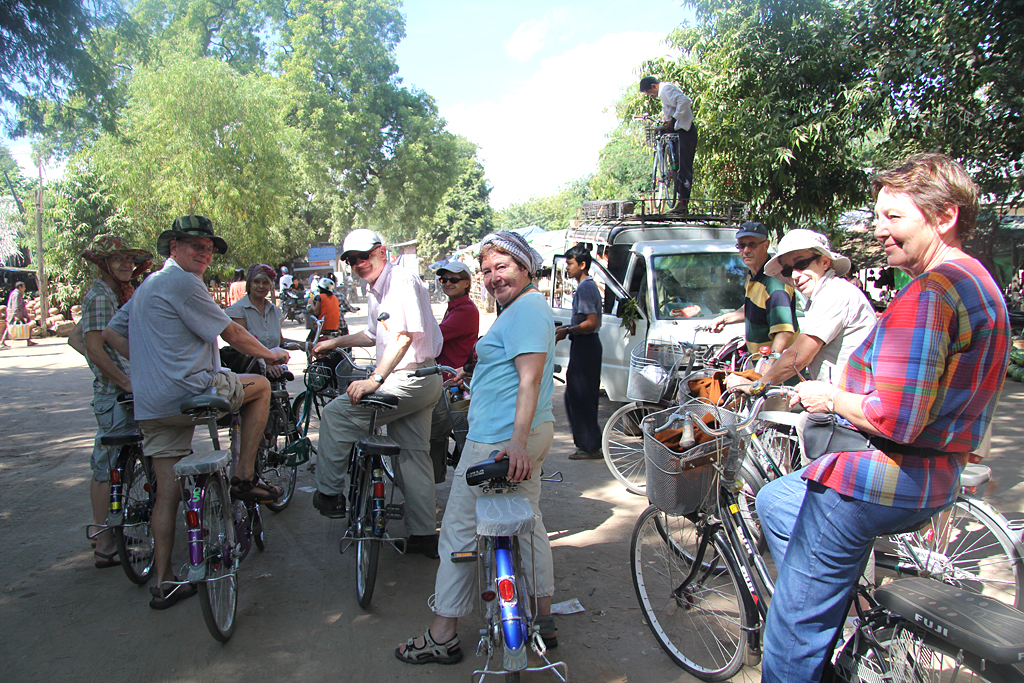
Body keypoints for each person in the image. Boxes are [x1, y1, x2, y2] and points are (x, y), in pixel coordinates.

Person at [754, 154, 1010, 683]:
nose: (879, 231)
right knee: (775, 500)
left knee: (790, 631)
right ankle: (827, 590)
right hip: (936, 478)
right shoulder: (982, 282)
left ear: (945, 218)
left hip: (881, 478)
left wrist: (829, 396)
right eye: (878, 217)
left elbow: (894, 418)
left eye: (894, 217)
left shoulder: (929, 293)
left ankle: (809, 622)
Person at [102, 215, 290, 609]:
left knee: (166, 493)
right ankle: (244, 476)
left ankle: (164, 581)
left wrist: (147, 368)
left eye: (208, 248)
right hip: (192, 391)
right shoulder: (184, 282)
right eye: (195, 246)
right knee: (261, 387)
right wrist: (271, 353)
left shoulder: (147, 286)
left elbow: (110, 334)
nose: (204, 253)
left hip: (153, 404)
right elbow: (233, 334)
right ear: (174, 247)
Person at [396, 231, 557, 666]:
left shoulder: (525, 310)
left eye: (501, 267)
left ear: (525, 267)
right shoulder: (526, 309)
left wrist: (516, 443)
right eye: (486, 270)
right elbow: (512, 372)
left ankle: (443, 633)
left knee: (458, 531)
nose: (492, 277)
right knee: (528, 519)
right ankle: (543, 617)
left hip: (498, 441)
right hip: (523, 433)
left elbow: (530, 379)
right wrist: (472, 379)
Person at [310, 228, 444, 558]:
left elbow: (403, 338)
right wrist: (334, 341)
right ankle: (424, 535)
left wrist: (375, 379)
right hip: (421, 379)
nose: (358, 263)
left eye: (364, 256)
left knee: (336, 414)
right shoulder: (377, 289)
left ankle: (329, 494)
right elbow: (374, 334)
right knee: (413, 456)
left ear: (381, 252)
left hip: (408, 378)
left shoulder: (400, 281)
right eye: (351, 260)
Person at [78, 234, 153, 568]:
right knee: (107, 467)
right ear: (103, 263)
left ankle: (114, 534)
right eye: (118, 259)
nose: (126, 264)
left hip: (126, 389)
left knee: (124, 464)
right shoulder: (99, 296)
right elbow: (93, 346)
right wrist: (123, 379)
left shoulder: (117, 293)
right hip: (115, 395)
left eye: (129, 259)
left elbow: (73, 337)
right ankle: (104, 543)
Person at [729, 230, 876, 391]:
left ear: (825, 262)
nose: (795, 275)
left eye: (802, 264)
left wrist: (756, 386)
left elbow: (799, 356)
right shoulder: (821, 295)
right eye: (788, 270)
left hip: (849, 400)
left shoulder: (835, 293)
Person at [711, 221, 797, 354]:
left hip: (781, 366)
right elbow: (754, 309)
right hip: (759, 359)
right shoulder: (753, 274)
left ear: (766, 245)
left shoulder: (775, 281)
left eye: (752, 244)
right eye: (741, 245)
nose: (746, 250)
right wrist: (725, 319)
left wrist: (769, 361)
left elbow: (784, 331)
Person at [428, 260, 480, 483]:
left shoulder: (466, 310)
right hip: (443, 377)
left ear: (467, 283)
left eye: (454, 279)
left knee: (433, 436)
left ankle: (428, 488)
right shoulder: (454, 307)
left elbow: (434, 337)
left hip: (450, 382)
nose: (447, 283)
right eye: (444, 279)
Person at [555, 245, 603, 459]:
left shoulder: (585, 288)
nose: (568, 268)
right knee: (578, 395)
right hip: (585, 346)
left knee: (580, 396)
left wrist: (567, 330)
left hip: (586, 346)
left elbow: (591, 322)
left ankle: (589, 446)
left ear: (582, 265)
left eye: (570, 264)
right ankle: (589, 443)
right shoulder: (586, 287)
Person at [225, 263, 306, 378]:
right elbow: (241, 344)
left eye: (265, 283)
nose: (261, 286)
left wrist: (306, 345)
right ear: (249, 284)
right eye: (256, 282)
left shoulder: (275, 311)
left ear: (271, 286)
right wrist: (263, 364)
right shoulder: (237, 311)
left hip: (275, 370)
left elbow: (280, 341)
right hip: (249, 373)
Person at [640, 76, 698, 214]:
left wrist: (673, 120)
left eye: (649, 92)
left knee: (684, 167)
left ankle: (683, 203)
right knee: (678, 167)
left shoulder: (665, 89)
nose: (651, 95)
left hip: (685, 131)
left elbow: (685, 101)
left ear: (654, 86)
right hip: (679, 131)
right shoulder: (664, 92)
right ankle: (680, 202)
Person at [1, 281, 37, 347]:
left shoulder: (18, 293)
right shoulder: (16, 294)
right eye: (24, 287)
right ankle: (2, 342)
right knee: (9, 326)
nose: (25, 288)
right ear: (20, 287)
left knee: (24, 325)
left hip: (18, 312)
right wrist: (15, 315)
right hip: (15, 313)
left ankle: (28, 340)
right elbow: (15, 305)